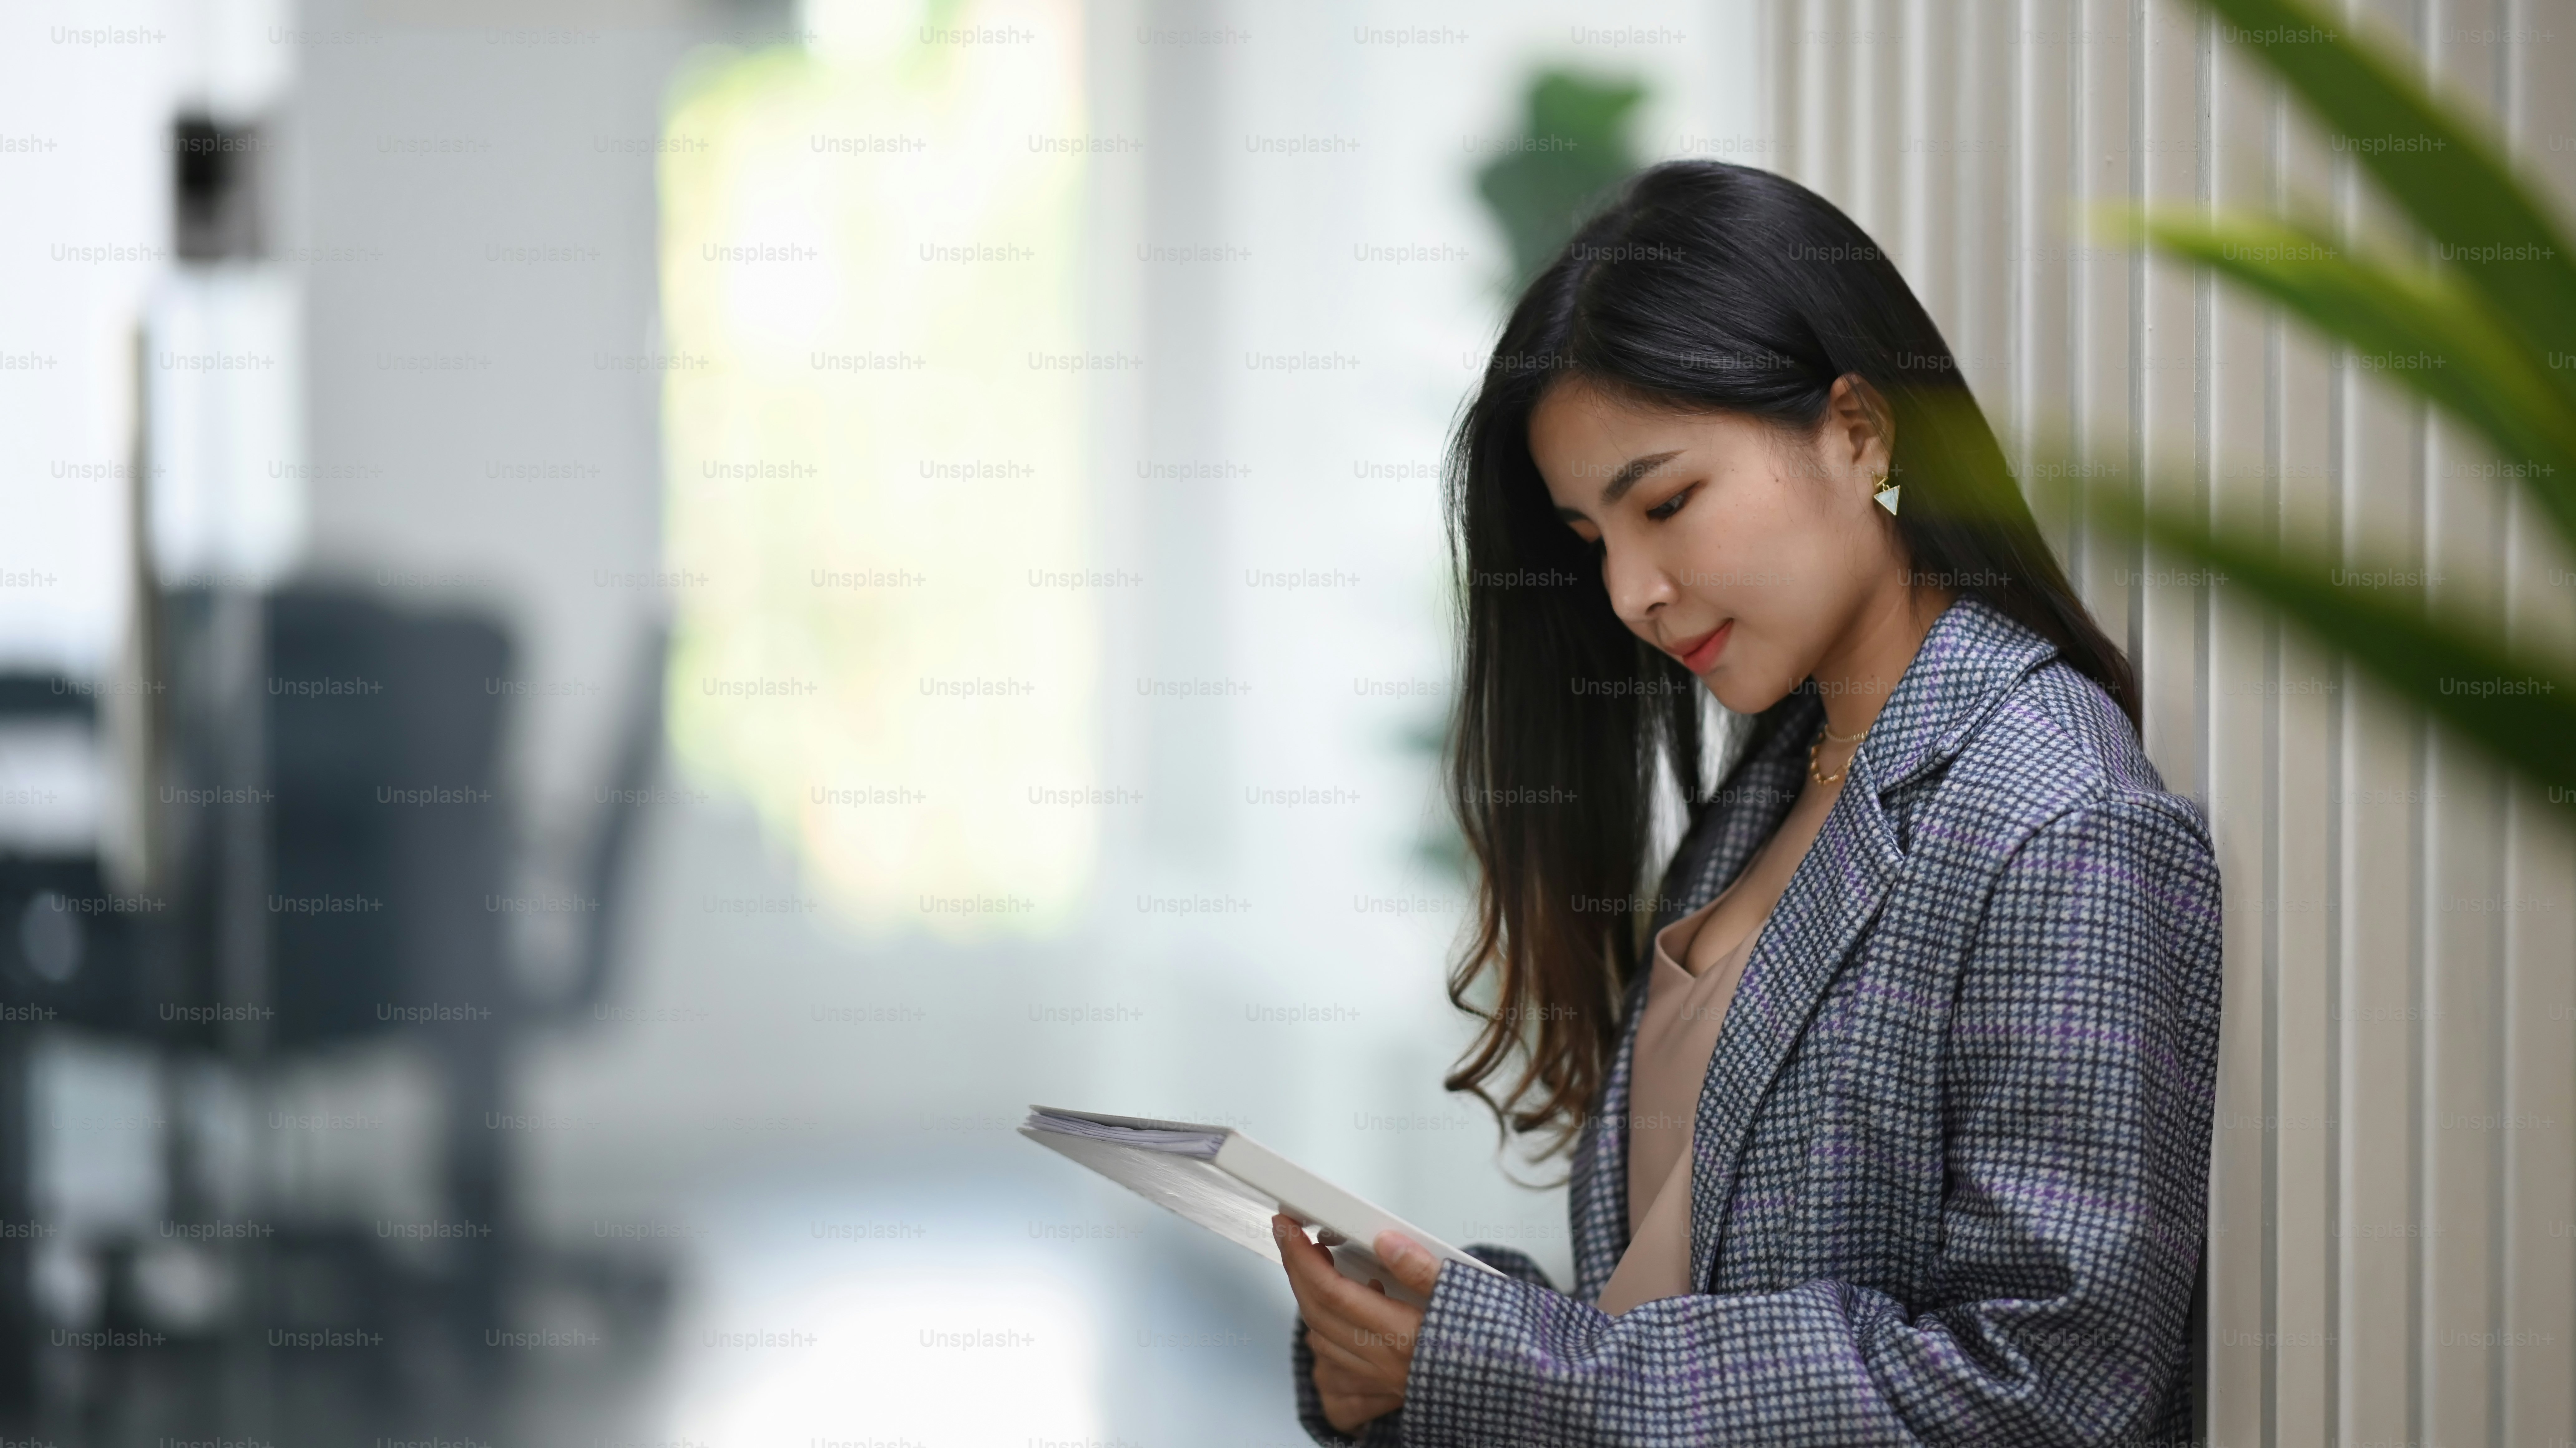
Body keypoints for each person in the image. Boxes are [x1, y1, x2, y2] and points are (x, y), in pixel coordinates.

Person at [1271, 160, 2223, 1447]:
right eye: (1592, 537)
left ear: (1861, 433)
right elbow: (1694, 1288)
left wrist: (1524, 1371)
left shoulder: (2056, 812)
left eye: (1665, 503)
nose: (1630, 591)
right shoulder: (1778, 782)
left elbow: (2043, 1385)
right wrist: (1430, 1345)